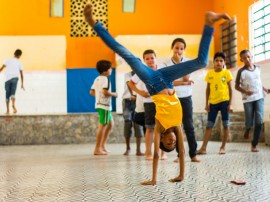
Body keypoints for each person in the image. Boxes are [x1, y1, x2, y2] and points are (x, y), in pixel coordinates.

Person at [84, 3, 230, 185]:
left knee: (124, 53)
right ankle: (209, 23)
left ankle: (94, 23)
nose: (172, 141)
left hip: (152, 81)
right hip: (168, 78)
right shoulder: (176, 126)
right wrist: (181, 175)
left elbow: (155, 155)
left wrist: (153, 179)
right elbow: (182, 153)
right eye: (173, 143)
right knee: (201, 62)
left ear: (163, 141)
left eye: (168, 143)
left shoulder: (161, 126)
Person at [162, 38, 199, 163]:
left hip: (186, 97)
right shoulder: (165, 63)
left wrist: (179, 65)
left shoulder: (187, 62)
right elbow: (168, 82)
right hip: (172, 98)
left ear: (184, 50)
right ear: (172, 48)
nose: (179, 51)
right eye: (176, 48)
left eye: (181, 48)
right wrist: (184, 82)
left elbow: (186, 76)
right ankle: (180, 154)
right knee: (176, 127)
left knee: (189, 126)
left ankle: (193, 154)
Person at [128, 49, 167, 161]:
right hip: (149, 103)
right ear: (144, 60)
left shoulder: (161, 70)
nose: (150, 60)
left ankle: (163, 153)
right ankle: (148, 153)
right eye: (147, 59)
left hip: (162, 102)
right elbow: (130, 83)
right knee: (150, 128)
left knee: (163, 128)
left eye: (152, 58)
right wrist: (139, 92)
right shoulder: (141, 71)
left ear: (156, 58)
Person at [197, 52, 233, 155]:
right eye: (216, 60)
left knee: (226, 125)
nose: (218, 62)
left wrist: (230, 104)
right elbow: (208, 89)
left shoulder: (227, 73)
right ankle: (203, 148)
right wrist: (206, 104)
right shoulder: (210, 73)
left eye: (221, 61)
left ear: (224, 62)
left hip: (224, 102)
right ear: (213, 62)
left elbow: (230, 89)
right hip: (213, 103)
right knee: (209, 126)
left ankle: (223, 147)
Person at [235, 50, 270, 152]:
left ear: (252, 57)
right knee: (250, 121)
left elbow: (258, 82)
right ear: (241, 60)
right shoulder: (241, 72)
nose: (247, 59)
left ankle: (254, 144)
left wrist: (265, 89)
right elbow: (236, 86)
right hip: (248, 100)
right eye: (244, 58)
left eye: (249, 57)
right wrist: (245, 91)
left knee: (259, 122)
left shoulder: (257, 68)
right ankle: (247, 129)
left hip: (259, 97)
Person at [90, 60, 118, 155]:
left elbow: (92, 92)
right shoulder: (106, 79)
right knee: (102, 126)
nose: (111, 70)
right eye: (110, 68)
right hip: (104, 106)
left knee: (110, 124)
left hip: (99, 105)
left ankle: (102, 146)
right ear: (106, 71)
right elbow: (105, 92)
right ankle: (97, 149)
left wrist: (99, 95)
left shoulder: (97, 79)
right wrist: (114, 94)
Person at [122, 71, 144, 156]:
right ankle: (128, 148)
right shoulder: (127, 75)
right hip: (127, 101)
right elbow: (129, 84)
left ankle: (138, 150)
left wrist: (137, 96)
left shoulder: (141, 74)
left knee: (138, 124)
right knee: (127, 123)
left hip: (137, 101)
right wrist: (133, 95)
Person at [0, 49, 24, 114]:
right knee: (13, 94)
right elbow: (21, 74)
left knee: (7, 95)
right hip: (15, 79)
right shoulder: (19, 63)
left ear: (14, 53)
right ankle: (13, 105)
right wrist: (22, 84)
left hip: (7, 79)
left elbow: (1, 69)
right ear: (20, 55)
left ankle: (7, 110)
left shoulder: (7, 60)